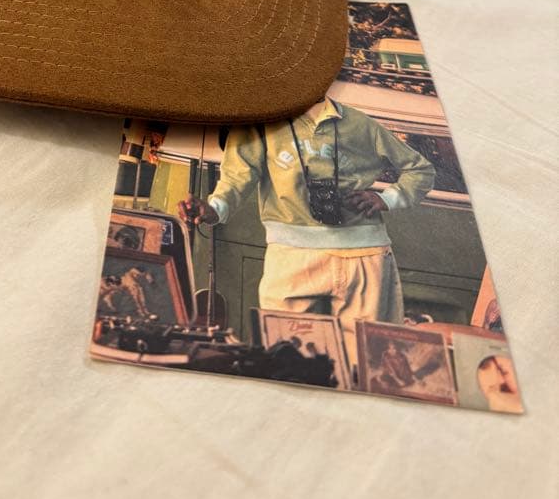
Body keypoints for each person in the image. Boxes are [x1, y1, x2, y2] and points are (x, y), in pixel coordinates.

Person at [178, 97, 435, 368]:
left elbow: (420, 170)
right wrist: (213, 209)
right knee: (285, 362)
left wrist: (387, 198)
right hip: (291, 258)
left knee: (369, 365)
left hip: (363, 256)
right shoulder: (257, 123)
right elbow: (235, 179)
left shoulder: (359, 123)